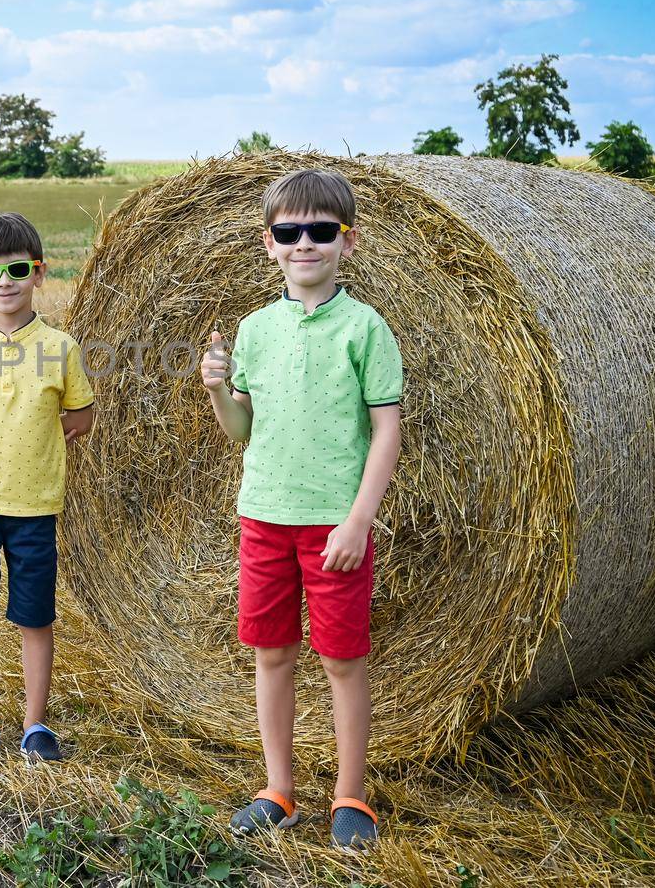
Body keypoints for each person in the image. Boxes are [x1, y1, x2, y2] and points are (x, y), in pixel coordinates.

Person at [199, 168, 403, 850]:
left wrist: (358, 519)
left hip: (333, 524)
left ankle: (351, 794)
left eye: (321, 231)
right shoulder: (254, 329)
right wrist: (217, 391)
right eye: (290, 232)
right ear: (270, 243)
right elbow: (241, 429)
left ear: (348, 242)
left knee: (343, 659)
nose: (305, 243)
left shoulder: (366, 328)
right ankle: (278, 789)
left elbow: (387, 430)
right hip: (263, 515)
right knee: (272, 654)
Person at [0, 211, 96, 761]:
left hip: (35, 507)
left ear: (39, 273)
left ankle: (34, 724)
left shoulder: (61, 348)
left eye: (17, 269)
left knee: (35, 614)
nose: (4, 281)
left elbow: (80, 418)